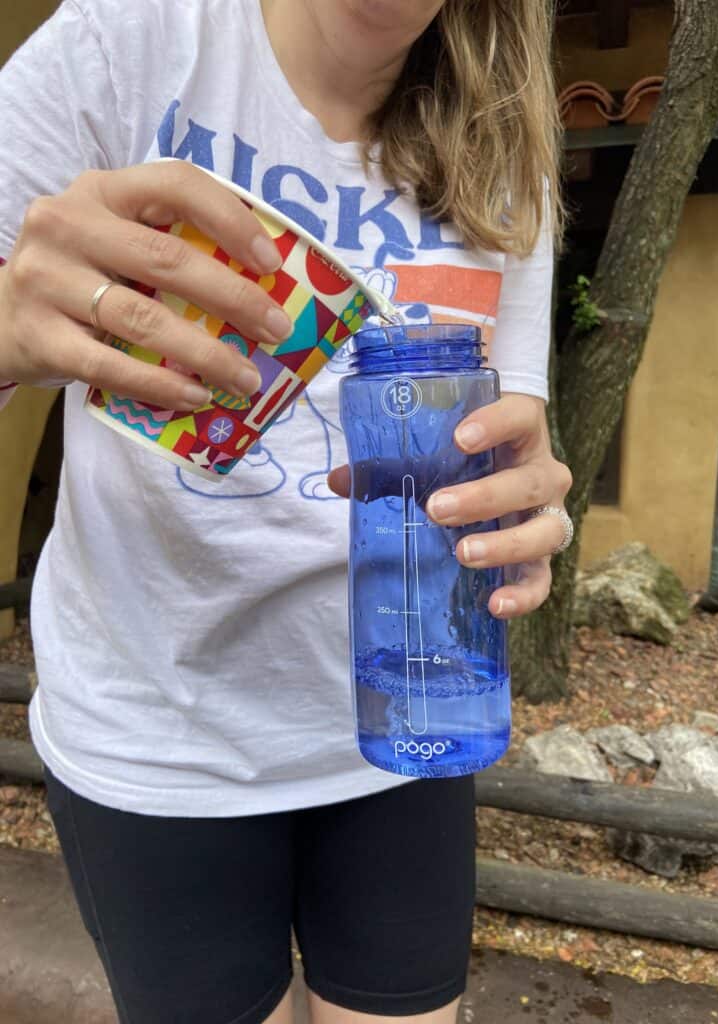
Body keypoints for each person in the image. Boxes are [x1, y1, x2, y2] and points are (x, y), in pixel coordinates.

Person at [0, 1, 572, 1022]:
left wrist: (531, 509)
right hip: (157, 736)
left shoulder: (506, 147)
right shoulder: (123, 42)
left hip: (413, 720)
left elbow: (511, 438)